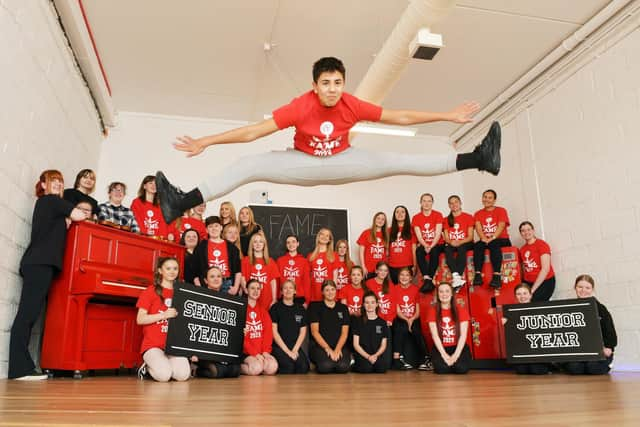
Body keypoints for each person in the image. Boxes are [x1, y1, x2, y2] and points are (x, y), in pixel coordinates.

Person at [155, 57, 502, 224]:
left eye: (338, 82)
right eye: (326, 83)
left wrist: (446, 116)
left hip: (344, 160)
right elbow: (253, 132)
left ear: (343, 83)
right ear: (315, 85)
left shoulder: (352, 104)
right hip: (302, 163)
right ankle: (181, 202)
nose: (332, 90)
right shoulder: (299, 106)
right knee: (249, 165)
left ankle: (479, 159)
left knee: (398, 160)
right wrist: (206, 141)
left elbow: (400, 116)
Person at [9, 170, 89, 380]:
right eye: (54, 181)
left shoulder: (51, 207)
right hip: (39, 263)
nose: (59, 185)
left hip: (40, 264)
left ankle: (22, 367)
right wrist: (70, 217)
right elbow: (80, 214)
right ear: (43, 185)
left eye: (61, 182)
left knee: (29, 316)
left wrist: (65, 220)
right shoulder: (50, 201)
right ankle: (19, 369)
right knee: (27, 316)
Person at [135, 257, 192, 382]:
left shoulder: (182, 293)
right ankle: (145, 366)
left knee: (182, 375)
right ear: (160, 271)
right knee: (164, 376)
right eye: (168, 268)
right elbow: (140, 319)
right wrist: (164, 315)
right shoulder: (150, 291)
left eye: (175, 268)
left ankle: (165, 364)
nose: (172, 271)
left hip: (173, 346)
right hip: (153, 345)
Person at [563, 274, 617, 375]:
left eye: (587, 287)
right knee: (574, 369)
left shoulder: (601, 309)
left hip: (599, 349)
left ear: (592, 289)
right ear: (575, 288)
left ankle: (608, 364)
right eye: (580, 287)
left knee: (593, 368)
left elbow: (610, 331)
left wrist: (609, 347)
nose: (583, 290)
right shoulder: (570, 308)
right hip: (579, 350)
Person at [196, 266, 241, 379]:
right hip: (204, 348)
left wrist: (239, 330)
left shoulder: (228, 300)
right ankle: (197, 369)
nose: (216, 279)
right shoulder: (199, 298)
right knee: (217, 372)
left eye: (218, 276)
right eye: (212, 276)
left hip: (221, 349)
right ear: (206, 280)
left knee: (235, 370)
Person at [504, 284, 550, 375]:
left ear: (530, 295)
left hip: (537, 349)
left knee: (536, 370)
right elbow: (513, 336)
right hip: (523, 350)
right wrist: (506, 324)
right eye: (519, 294)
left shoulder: (540, 309)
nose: (522, 297)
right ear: (515, 296)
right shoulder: (511, 312)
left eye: (525, 293)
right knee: (522, 371)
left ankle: (549, 366)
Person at [427, 282, 472, 374]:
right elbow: (435, 336)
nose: (444, 294)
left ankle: (454, 363)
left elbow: (463, 336)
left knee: (461, 369)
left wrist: (455, 356)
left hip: (458, 347)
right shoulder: (433, 311)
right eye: (441, 292)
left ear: (451, 294)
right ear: (438, 294)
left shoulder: (461, 310)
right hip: (441, 347)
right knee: (442, 369)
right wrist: (444, 355)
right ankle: (447, 363)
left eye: (447, 291)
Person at [308, 280, 351, 374]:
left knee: (343, 367)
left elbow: (344, 333)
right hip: (320, 346)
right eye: (327, 290)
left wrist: (337, 349)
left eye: (332, 289)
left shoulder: (343, 308)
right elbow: (314, 332)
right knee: (325, 367)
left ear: (336, 291)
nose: (330, 292)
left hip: (339, 345)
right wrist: (328, 349)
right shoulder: (315, 307)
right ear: (322, 292)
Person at [392, 267, 431, 371]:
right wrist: (406, 319)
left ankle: (425, 359)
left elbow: (417, 310)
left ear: (410, 278)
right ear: (398, 277)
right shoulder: (394, 289)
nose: (404, 277)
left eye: (407, 275)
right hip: (401, 317)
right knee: (401, 328)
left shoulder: (415, 289)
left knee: (417, 330)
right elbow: (397, 309)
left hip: (414, 317)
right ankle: (398, 359)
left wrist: (412, 319)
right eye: (402, 275)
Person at [472, 189, 511, 288]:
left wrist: (492, 237)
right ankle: (477, 274)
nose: (487, 199)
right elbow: (478, 228)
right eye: (485, 197)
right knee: (477, 245)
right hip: (486, 240)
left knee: (494, 243)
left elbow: (501, 226)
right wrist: (484, 238)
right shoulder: (477, 213)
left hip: (501, 239)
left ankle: (497, 276)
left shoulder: (501, 210)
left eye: (490, 198)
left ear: (494, 200)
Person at [269, 280, 310, 374]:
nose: (288, 290)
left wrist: (295, 349)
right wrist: (287, 351)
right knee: (288, 367)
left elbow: (303, 332)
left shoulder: (300, 309)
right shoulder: (275, 308)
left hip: (294, 346)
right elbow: (274, 332)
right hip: (279, 346)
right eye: (285, 288)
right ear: (281, 292)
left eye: (291, 288)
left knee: (303, 368)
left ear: (295, 291)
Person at [193, 216, 242, 293]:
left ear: (221, 228)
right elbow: (195, 270)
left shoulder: (232, 248)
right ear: (206, 230)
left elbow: (238, 270)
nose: (214, 229)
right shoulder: (200, 247)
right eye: (210, 227)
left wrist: (235, 287)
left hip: (227, 284)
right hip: (207, 285)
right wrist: (199, 286)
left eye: (216, 226)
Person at [242, 279, 278, 376]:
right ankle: (239, 367)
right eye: (252, 288)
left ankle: (259, 364)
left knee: (272, 368)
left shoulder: (263, 311)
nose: (255, 291)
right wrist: (255, 353)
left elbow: (268, 334)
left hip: (261, 352)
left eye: (258, 288)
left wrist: (265, 352)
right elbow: (241, 338)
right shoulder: (241, 310)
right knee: (256, 369)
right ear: (246, 290)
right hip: (246, 352)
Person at [412, 193, 445, 293]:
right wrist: (425, 245)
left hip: (437, 243)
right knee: (419, 252)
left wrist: (431, 245)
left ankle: (428, 280)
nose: (426, 203)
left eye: (429, 201)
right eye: (424, 201)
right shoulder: (416, 217)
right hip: (424, 244)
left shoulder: (438, 215)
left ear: (432, 203)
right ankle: (428, 279)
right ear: (421, 203)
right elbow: (419, 235)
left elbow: (438, 233)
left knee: (434, 251)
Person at [352, 291, 390, 373]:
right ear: (363, 304)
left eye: (372, 302)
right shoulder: (358, 321)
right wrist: (368, 356)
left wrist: (375, 356)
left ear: (377, 304)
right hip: (363, 355)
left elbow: (383, 345)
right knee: (366, 368)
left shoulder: (382, 323)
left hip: (376, 355)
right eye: (367, 302)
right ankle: (353, 364)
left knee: (382, 368)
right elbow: (356, 344)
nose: (370, 305)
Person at [442, 195, 475, 289]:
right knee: (447, 249)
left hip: (466, 243)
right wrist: (451, 242)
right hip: (452, 243)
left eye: (456, 202)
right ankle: (456, 276)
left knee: (461, 248)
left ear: (460, 203)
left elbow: (470, 236)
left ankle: (458, 277)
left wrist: (460, 242)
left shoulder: (468, 217)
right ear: (449, 205)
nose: (454, 204)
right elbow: (447, 237)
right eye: (451, 203)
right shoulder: (446, 219)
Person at [518, 221, 555, 301]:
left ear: (533, 231)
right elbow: (524, 269)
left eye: (528, 229)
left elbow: (545, 269)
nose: (526, 232)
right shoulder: (522, 249)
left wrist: (532, 290)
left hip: (544, 282)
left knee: (535, 302)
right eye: (523, 231)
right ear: (520, 233)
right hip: (529, 282)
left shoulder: (541, 245)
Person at [241, 232, 279, 307]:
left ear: (264, 244)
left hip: (266, 297)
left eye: (260, 241)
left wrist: (274, 298)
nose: (258, 244)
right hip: (250, 297)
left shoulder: (270, 261)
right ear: (251, 245)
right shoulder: (246, 260)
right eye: (255, 242)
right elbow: (242, 278)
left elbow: (273, 281)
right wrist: (246, 291)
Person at [276, 234, 311, 305]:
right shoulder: (280, 261)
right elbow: (277, 281)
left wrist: (307, 301)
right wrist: (277, 297)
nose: (291, 244)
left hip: (299, 297)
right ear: (286, 245)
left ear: (298, 244)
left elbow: (306, 282)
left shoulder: (304, 261)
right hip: (284, 296)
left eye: (293, 242)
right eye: (288, 242)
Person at [388, 205, 416, 284]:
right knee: (396, 289)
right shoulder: (389, 230)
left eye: (402, 212)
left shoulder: (412, 230)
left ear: (406, 215)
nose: (400, 214)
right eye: (397, 212)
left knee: (406, 288)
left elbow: (414, 249)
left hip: (407, 265)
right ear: (394, 215)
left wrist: (415, 265)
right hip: (392, 266)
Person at [308, 228, 336, 302]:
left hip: (328, 294)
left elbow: (335, 277)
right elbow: (308, 276)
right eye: (322, 234)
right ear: (318, 236)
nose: (324, 237)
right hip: (314, 294)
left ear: (329, 240)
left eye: (327, 236)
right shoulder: (310, 256)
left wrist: (333, 293)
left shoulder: (334, 256)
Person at [358, 212, 389, 279]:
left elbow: (387, 253)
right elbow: (361, 252)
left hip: (381, 270)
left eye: (382, 219)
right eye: (378, 218)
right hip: (368, 269)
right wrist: (363, 267)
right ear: (375, 219)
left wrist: (386, 269)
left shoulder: (387, 235)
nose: (380, 221)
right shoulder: (366, 233)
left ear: (385, 222)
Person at [365, 261, 396, 326]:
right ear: (376, 271)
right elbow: (366, 302)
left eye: (385, 271)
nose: (383, 273)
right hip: (373, 317)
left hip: (387, 319)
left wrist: (389, 319)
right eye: (381, 270)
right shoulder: (369, 283)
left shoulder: (391, 285)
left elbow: (393, 304)